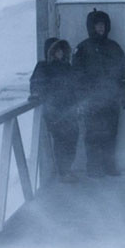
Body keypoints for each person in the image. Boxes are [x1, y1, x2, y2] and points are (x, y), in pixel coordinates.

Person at [73, 9, 125, 178]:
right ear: (91, 27)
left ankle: (109, 166)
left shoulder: (114, 47)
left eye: (103, 25)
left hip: (111, 100)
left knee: (111, 134)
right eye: (97, 25)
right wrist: (81, 99)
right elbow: (76, 77)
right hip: (92, 102)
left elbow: (124, 73)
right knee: (92, 135)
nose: (101, 28)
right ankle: (93, 167)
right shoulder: (82, 49)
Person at [29, 37, 80, 183]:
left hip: (70, 110)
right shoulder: (43, 66)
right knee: (61, 141)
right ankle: (63, 173)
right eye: (56, 50)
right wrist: (36, 94)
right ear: (50, 52)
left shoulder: (67, 67)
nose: (60, 53)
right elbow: (36, 82)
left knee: (72, 140)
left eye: (61, 50)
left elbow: (75, 87)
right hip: (54, 112)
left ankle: (67, 169)